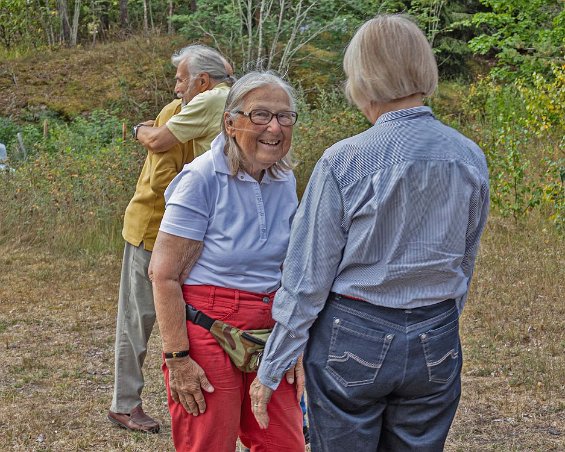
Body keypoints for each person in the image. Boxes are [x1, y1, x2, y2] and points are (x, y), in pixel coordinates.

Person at [251, 14, 490, 451]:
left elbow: (307, 279)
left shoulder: (345, 160)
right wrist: (437, 325)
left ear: (362, 79)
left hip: (353, 334)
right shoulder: (469, 157)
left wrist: (273, 365)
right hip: (435, 334)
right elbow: (464, 260)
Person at [149, 71, 305, 451]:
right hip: (208, 326)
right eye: (261, 115)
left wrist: (295, 341)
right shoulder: (201, 178)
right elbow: (163, 274)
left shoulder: (284, 178)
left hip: (271, 324)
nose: (274, 127)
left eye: (284, 116)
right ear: (230, 122)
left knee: (284, 443)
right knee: (209, 443)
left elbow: (290, 268)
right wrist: (178, 359)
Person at [108, 44, 233, 433]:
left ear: (202, 80)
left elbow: (164, 156)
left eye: (180, 79)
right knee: (139, 316)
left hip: (185, 230)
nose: (176, 88)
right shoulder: (180, 112)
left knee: (184, 315)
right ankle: (124, 404)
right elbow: (158, 180)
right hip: (155, 227)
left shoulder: (207, 106)